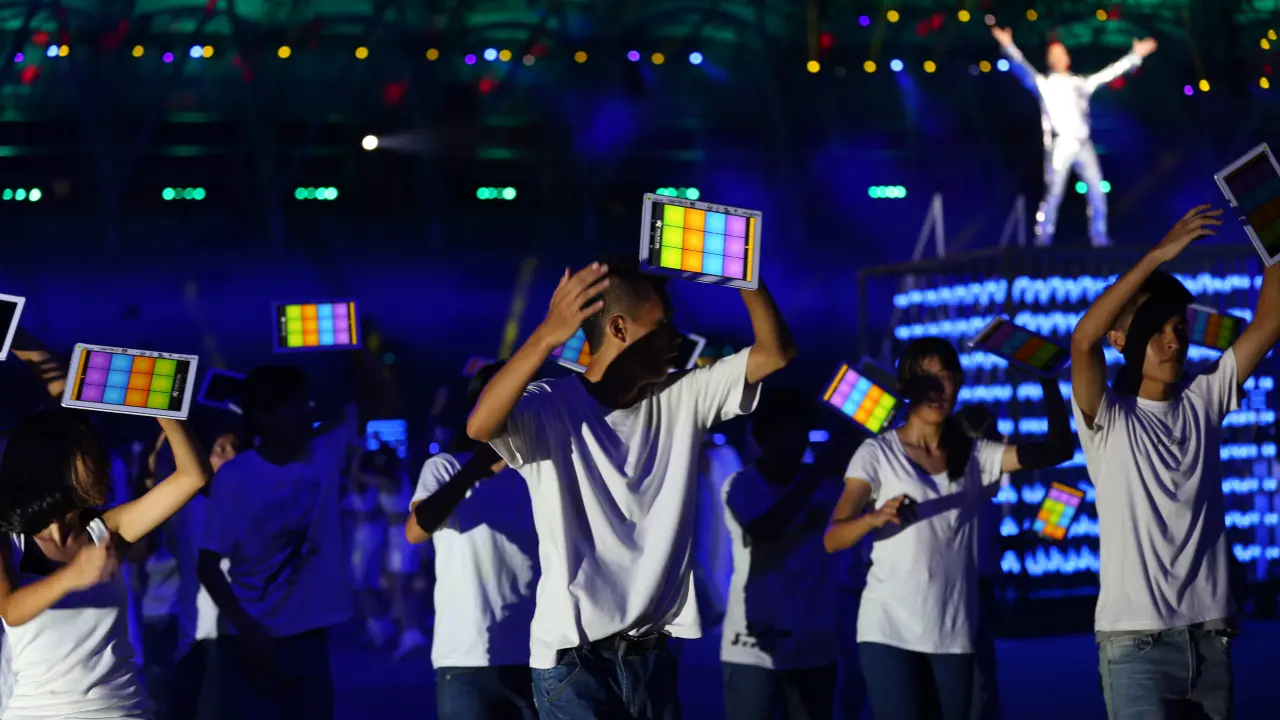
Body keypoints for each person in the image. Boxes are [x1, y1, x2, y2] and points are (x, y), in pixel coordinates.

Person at [467, 259, 796, 717]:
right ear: (619, 328)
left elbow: (775, 353)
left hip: (653, 657)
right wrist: (546, 335)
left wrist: (742, 271)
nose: (676, 338)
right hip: (574, 661)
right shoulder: (552, 405)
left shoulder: (683, 395)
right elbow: (480, 426)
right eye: (662, 326)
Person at [1069, 204, 1279, 719]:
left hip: (1210, 639)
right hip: (1134, 645)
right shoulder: (1109, 418)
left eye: (1178, 326)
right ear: (1121, 340)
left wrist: (1273, 222)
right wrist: (1157, 257)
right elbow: (1082, 339)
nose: (1172, 340)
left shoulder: (1203, 398)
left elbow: (1271, 321)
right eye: (1154, 328)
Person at [824, 337, 1073, 720]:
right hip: (887, 628)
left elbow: (1058, 450)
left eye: (946, 377)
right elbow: (833, 537)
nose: (938, 389)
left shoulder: (976, 456)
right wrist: (874, 517)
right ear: (905, 386)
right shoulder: (877, 453)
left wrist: (1047, 378)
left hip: (954, 632)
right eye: (926, 378)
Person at [0, 327, 211, 720]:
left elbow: (192, 476)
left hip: (123, 711)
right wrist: (73, 574)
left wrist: (160, 400)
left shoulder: (107, 530)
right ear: (55, 465)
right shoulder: (8, 540)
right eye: (90, 454)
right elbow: (11, 609)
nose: (104, 464)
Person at [197, 365, 358, 720]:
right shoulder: (235, 477)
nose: (307, 413)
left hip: (307, 640)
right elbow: (207, 565)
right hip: (247, 641)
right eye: (297, 405)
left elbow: (379, 399)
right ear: (264, 416)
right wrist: (247, 628)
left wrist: (358, 350)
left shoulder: (323, 454)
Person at [406, 360, 539, 720]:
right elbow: (416, 530)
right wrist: (473, 471)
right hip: (466, 655)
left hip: (541, 650)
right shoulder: (446, 467)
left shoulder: (543, 469)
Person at [720, 388, 842, 720]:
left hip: (814, 645)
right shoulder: (741, 484)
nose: (792, 444)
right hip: (750, 647)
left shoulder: (829, 488)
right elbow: (765, 530)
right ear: (761, 438)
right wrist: (816, 475)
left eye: (798, 434)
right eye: (782, 434)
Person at [991, 26, 1158, 247]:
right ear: (1049, 60)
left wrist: (1134, 56)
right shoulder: (1045, 84)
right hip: (1061, 144)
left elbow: (1108, 74)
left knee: (1097, 190)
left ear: (1067, 58)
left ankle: (1099, 237)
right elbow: (1023, 68)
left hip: (1083, 144)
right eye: (1054, 54)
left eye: (1061, 53)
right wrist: (1008, 45)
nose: (1058, 57)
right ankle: (1043, 238)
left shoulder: (1080, 83)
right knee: (1054, 192)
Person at [168, 427, 238, 720]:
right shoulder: (187, 506)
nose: (230, 455)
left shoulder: (251, 502)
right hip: (197, 635)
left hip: (240, 633)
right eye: (220, 449)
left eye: (234, 448)